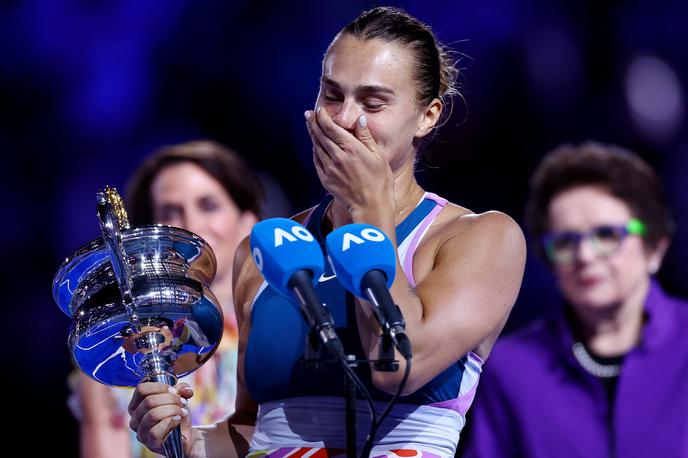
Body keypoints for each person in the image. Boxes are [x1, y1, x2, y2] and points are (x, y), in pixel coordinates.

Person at [128, 7, 526, 457]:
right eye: (332, 95)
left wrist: (368, 207)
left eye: (373, 103)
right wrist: (187, 438)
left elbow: (396, 365)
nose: (343, 119)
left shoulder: (481, 238)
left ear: (427, 116)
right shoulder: (266, 248)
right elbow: (251, 430)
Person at [463, 142, 688, 457]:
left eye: (607, 235)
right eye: (566, 242)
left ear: (655, 247)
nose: (584, 255)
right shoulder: (511, 367)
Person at [71, 139, 264, 458]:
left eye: (209, 205)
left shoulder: (276, 337)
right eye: (170, 211)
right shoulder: (117, 356)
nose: (191, 224)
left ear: (249, 221)